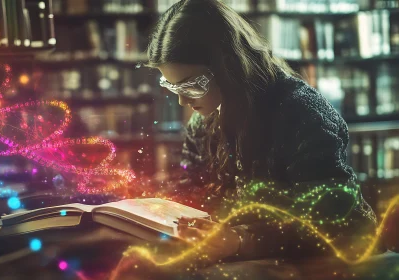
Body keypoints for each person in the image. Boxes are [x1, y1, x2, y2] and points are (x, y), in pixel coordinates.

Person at [138, 0, 383, 273]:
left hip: (327, 260)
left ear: (229, 67)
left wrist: (241, 238)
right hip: (246, 255)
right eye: (172, 86)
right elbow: (194, 188)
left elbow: (333, 220)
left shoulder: (301, 111)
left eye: (192, 85)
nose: (182, 101)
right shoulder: (203, 120)